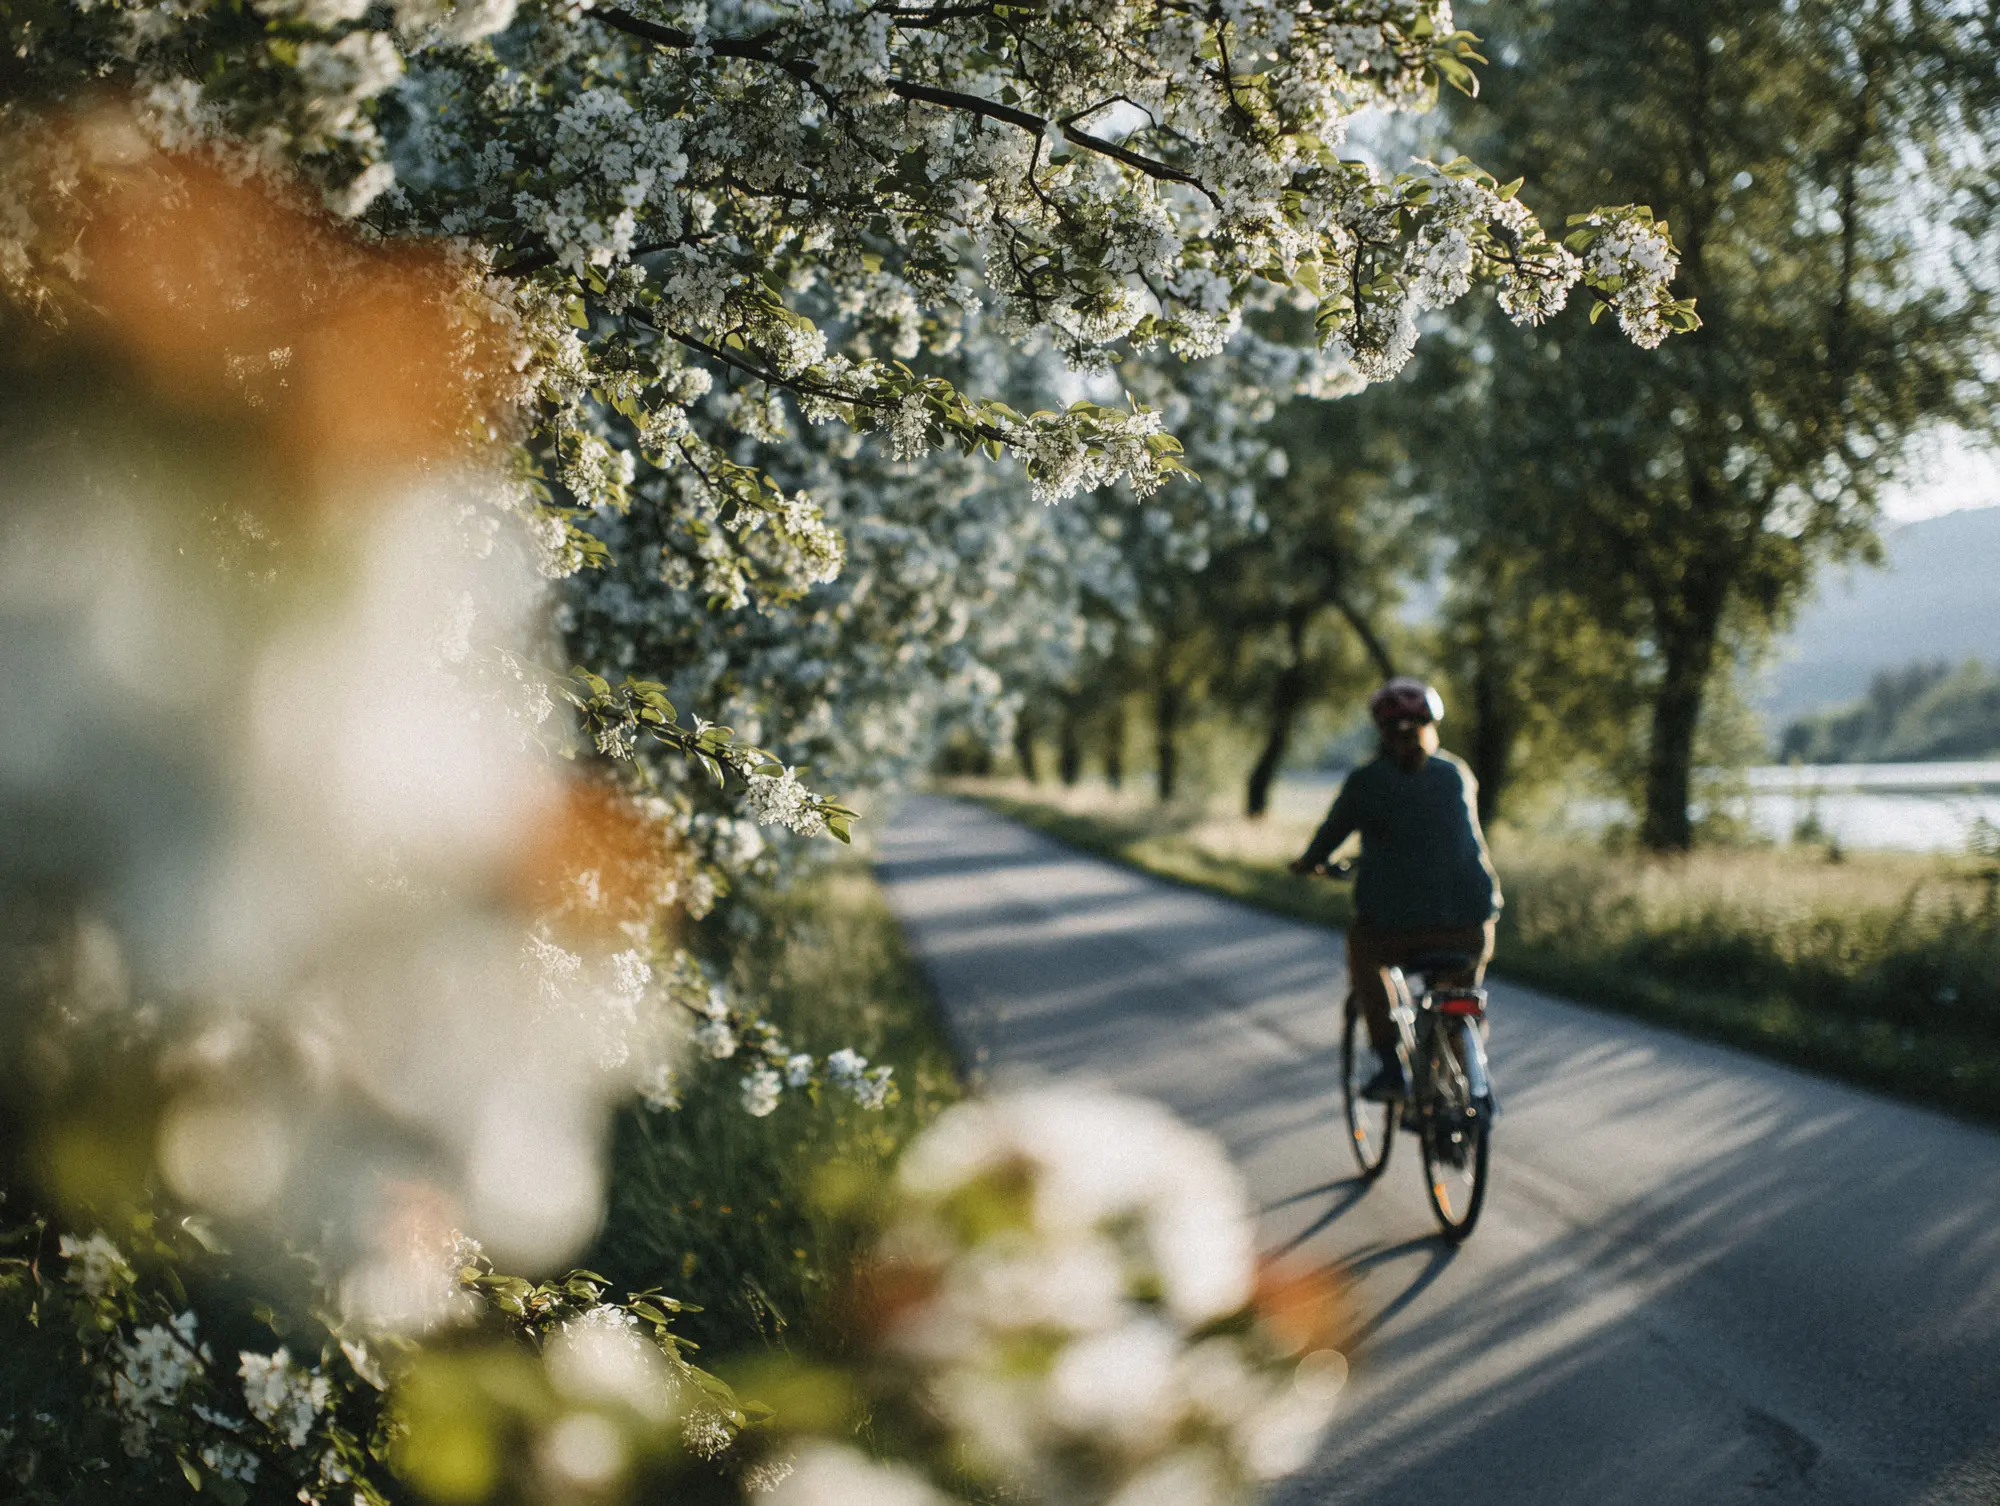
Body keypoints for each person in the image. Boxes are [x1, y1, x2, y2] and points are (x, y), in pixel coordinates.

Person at [1288, 677, 1501, 1102]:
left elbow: (1329, 837)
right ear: (1431, 724)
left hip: (1394, 931)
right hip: (1471, 923)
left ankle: (1390, 1067)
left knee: (1363, 949)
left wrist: (1309, 863)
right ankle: (1466, 1086)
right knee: (1458, 998)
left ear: (1381, 732)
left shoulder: (1367, 781)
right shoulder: (1457, 773)